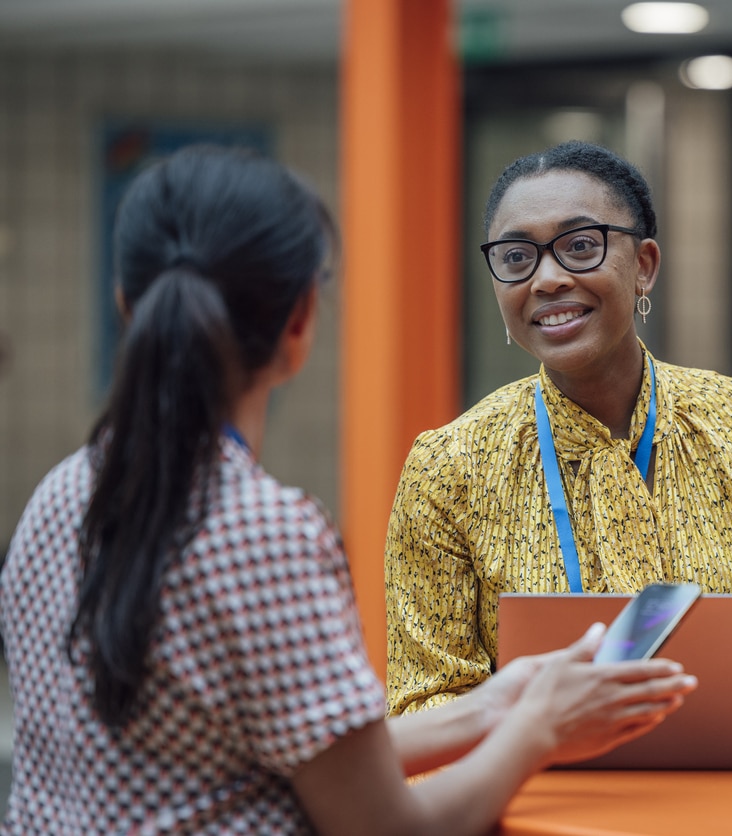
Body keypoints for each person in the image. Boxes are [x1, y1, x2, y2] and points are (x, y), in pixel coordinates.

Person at [0, 145, 696, 835]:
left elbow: (301, 754)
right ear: (300, 322)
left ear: (126, 305)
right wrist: (541, 729)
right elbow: (388, 826)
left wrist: (502, 704)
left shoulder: (59, 496)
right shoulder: (265, 532)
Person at [385, 140, 732, 745]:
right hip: (545, 808)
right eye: (517, 257)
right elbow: (425, 704)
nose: (547, 278)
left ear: (644, 264)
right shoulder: (449, 466)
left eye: (579, 246)